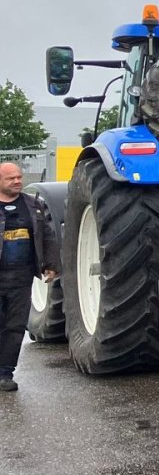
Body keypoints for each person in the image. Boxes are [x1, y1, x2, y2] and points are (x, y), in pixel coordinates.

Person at [0, 161, 60, 392]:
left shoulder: (33, 205)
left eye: (18, 177)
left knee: (14, 327)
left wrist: (51, 265)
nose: (17, 181)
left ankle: (6, 373)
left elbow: (47, 236)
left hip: (21, 279)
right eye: (10, 179)